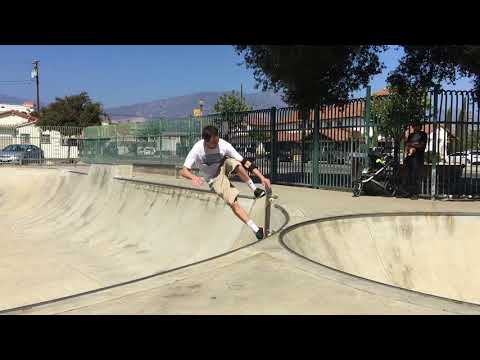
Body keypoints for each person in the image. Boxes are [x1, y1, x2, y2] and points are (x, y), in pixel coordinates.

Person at [179, 125, 272, 240]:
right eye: (212, 144)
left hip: (223, 165)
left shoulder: (224, 144)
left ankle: (255, 190)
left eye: (216, 141)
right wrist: (193, 177)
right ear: (205, 141)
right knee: (233, 202)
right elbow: (183, 171)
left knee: (235, 163)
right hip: (214, 178)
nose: (215, 145)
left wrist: (262, 177)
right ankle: (256, 229)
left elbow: (245, 162)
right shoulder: (197, 148)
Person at [404, 120, 428, 200]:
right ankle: (409, 192)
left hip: (417, 158)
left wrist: (413, 146)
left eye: (415, 125)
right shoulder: (411, 135)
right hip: (410, 158)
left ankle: (415, 193)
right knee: (409, 175)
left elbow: (422, 146)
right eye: (413, 126)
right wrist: (410, 148)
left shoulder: (423, 135)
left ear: (419, 126)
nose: (414, 127)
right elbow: (407, 144)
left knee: (415, 175)